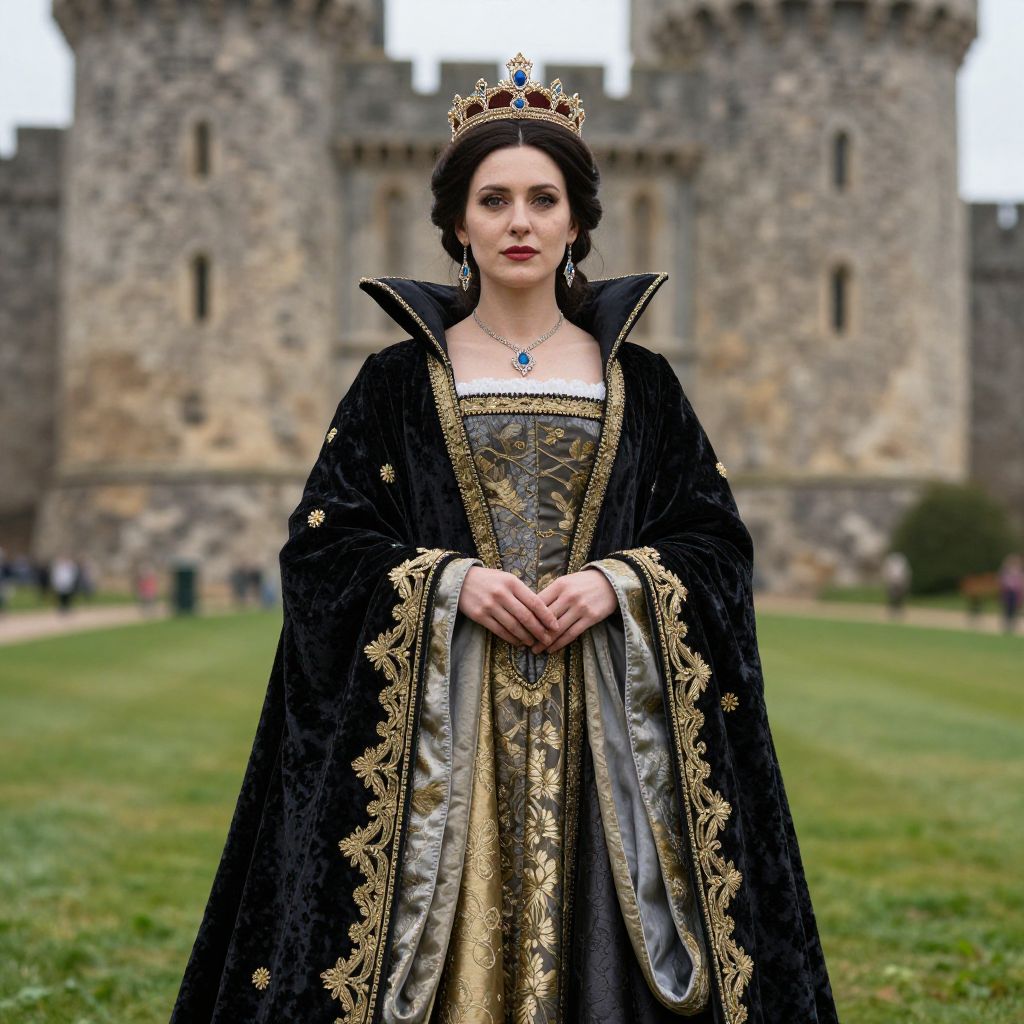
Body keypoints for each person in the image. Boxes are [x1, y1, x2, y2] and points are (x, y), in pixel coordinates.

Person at [169, 53, 838, 1024]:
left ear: (576, 222)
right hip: (443, 736)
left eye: (541, 198)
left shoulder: (641, 385)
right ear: (455, 222)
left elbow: (713, 541)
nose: (518, 221)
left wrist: (620, 583)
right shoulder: (395, 385)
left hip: (609, 734)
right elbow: (325, 546)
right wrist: (444, 585)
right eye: (493, 200)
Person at [998, 553, 1023, 633]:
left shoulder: (1019, 572)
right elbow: (1002, 581)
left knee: (1014, 609)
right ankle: (1006, 625)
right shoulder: (1006, 571)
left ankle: (1012, 625)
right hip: (1008, 592)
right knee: (1007, 609)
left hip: (1015, 593)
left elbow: (1020, 583)